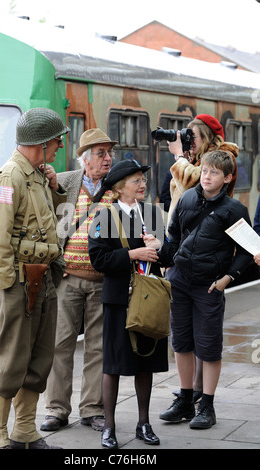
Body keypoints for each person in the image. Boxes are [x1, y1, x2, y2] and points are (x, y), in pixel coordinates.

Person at [0, 107, 69, 449]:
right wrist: (5, 289)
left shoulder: (36, 176)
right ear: (41, 143)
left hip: (42, 280)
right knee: (12, 359)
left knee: (40, 357)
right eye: (57, 141)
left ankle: (25, 430)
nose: (60, 146)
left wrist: (55, 187)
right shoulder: (9, 178)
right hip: (18, 282)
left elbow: (50, 222)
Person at [159, 150, 253, 429]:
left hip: (209, 287)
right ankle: (186, 400)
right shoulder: (187, 198)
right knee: (181, 343)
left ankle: (207, 406)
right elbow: (174, 234)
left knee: (209, 347)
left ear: (227, 178)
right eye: (204, 171)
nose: (207, 176)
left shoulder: (235, 210)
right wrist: (166, 262)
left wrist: (227, 279)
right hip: (180, 282)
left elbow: (248, 251)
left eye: (214, 173)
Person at [88, 159, 171, 449]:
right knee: (112, 364)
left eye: (142, 180)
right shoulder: (103, 216)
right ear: (121, 187)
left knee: (145, 362)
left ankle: (143, 424)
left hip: (149, 301)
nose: (142, 184)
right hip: (119, 301)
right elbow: (98, 260)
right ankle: (108, 427)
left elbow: (170, 255)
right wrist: (133, 253)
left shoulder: (152, 214)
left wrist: (160, 247)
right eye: (136, 180)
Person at [40, 129, 117, 433]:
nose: (108, 158)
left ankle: (93, 409)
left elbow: (137, 219)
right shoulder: (66, 180)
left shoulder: (117, 184)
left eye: (109, 152)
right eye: (100, 153)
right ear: (85, 159)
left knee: (98, 347)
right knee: (59, 344)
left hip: (103, 280)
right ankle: (57, 409)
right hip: (67, 278)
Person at [166, 113, 239, 400]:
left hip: (209, 264)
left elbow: (200, 185)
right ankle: (189, 393)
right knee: (182, 338)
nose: (187, 141)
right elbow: (178, 217)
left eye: (192, 136)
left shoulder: (221, 159)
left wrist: (178, 157)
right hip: (184, 260)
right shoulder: (195, 161)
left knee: (207, 341)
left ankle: (201, 395)